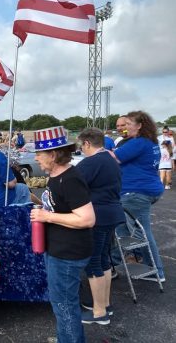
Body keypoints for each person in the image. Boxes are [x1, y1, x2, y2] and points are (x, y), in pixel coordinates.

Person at [30, 125, 95, 343]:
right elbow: (60, 208)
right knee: (62, 303)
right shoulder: (55, 176)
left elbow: (87, 219)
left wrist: (47, 217)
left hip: (68, 253)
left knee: (64, 304)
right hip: (59, 249)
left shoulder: (70, 178)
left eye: (39, 154)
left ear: (53, 154)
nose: (36, 158)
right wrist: (42, 210)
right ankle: (67, 337)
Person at [76, 128, 125, 325]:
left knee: (93, 262)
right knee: (103, 260)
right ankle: (104, 305)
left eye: (82, 146)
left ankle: (99, 312)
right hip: (112, 213)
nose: (81, 149)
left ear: (87, 143)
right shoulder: (110, 158)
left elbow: (75, 185)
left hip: (98, 215)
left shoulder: (91, 162)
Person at [110, 111, 165, 281]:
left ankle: (156, 271)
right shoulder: (149, 141)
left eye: (128, 124)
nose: (125, 127)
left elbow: (114, 158)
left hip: (136, 192)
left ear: (139, 125)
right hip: (147, 189)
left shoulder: (139, 142)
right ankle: (113, 263)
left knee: (142, 232)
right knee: (121, 228)